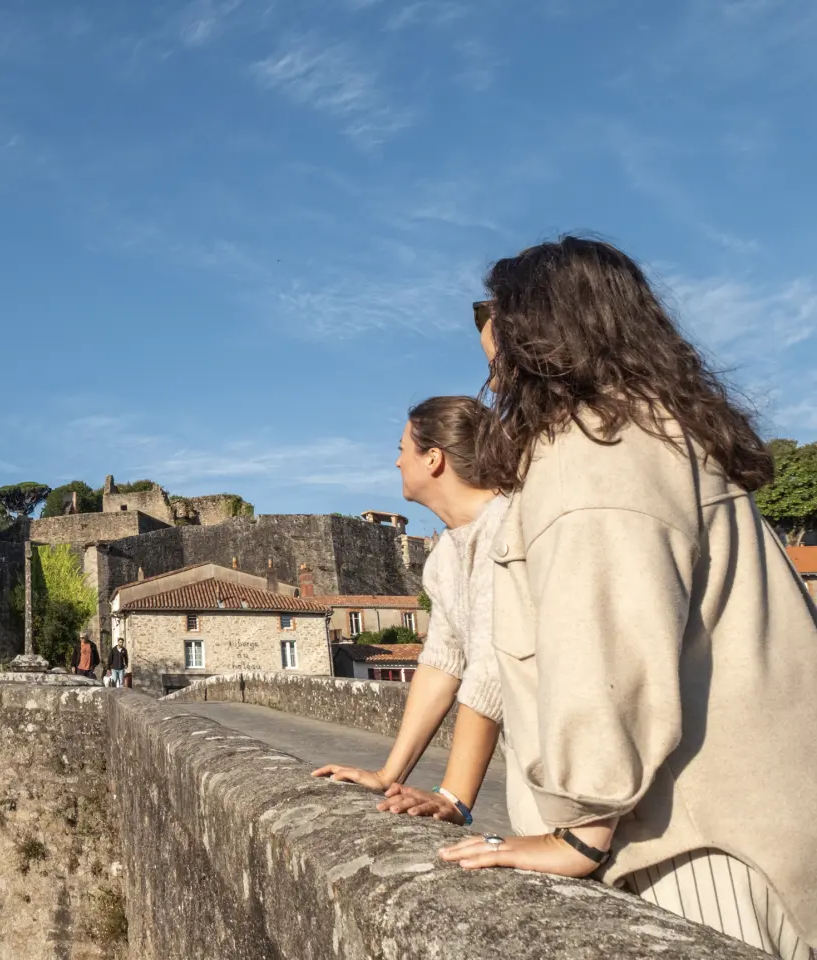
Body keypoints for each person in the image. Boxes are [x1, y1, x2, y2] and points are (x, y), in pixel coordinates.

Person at [435, 237, 815, 959]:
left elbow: (602, 641)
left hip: (694, 850)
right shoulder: (654, 431)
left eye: (490, 311)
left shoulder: (598, 451)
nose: (483, 335)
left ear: (536, 328)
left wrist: (580, 829)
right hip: (744, 833)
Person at [313, 396, 522, 833]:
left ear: (433, 459)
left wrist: (454, 797)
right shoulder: (447, 553)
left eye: (402, 449)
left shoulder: (510, 526)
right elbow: (441, 663)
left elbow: (491, 667)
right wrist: (389, 776)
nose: (395, 463)